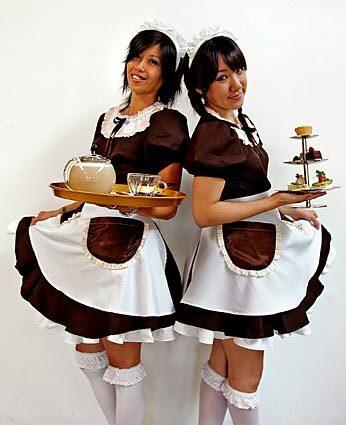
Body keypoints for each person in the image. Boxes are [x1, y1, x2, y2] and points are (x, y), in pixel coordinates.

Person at [13, 22, 188, 425]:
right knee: (86, 351)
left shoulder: (167, 123)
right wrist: (60, 211)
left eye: (153, 61)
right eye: (136, 56)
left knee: (122, 360)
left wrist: (125, 199)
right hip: (87, 236)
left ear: (166, 75)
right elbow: (95, 183)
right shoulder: (108, 118)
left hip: (126, 251)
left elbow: (166, 200)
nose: (139, 67)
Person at [174, 28, 335, 425]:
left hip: (240, 258)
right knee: (246, 377)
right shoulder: (213, 133)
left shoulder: (237, 122)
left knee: (223, 363)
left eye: (239, 70)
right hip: (236, 265)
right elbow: (205, 212)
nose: (236, 83)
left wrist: (287, 211)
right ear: (200, 89)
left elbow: (242, 196)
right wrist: (277, 200)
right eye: (221, 77)